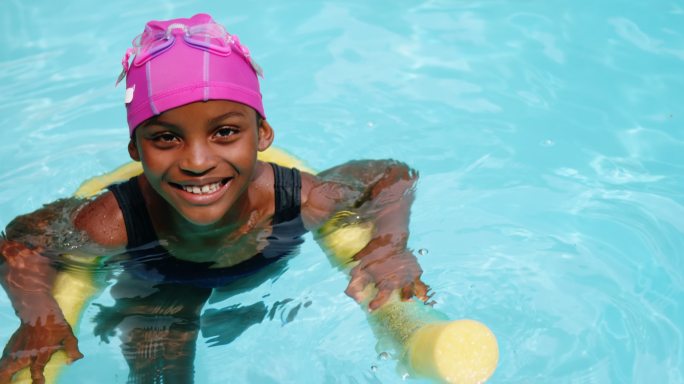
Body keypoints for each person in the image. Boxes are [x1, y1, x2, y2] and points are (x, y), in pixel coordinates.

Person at [0, 13, 430, 383]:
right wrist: (39, 315)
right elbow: (22, 241)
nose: (198, 161)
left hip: (255, 278)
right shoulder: (111, 223)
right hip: (160, 284)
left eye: (225, 132)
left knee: (244, 329)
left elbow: (391, 176)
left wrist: (389, 246)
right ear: (135, 150)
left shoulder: (300, 198)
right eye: (166, 138)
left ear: (262, 134)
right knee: (162, 365)